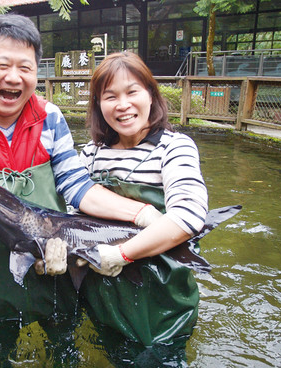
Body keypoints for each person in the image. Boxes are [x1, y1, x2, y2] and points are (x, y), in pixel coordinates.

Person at [0, 15, 158, 326]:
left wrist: (144, 214)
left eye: (25, 68)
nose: (14, 78)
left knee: (64, 347)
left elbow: (77, 186)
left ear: (36, 71)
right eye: (2, 65)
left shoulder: (50, 117)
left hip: (55, 268)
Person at [78, 51, 209, 346]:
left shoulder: (175, 148)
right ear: (98, 105)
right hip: (103, 298)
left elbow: (188, 217)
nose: (122, 105)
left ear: (151, 94)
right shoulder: (91, 153)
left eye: (132, 91)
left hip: (160, 303)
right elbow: (69, 210)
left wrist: (121, 254)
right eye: (110, 96)